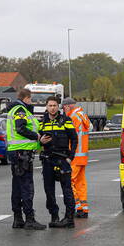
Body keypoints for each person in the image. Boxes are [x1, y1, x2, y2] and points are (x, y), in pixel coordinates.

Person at [6, 88, 47, 230]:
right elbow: (21, 128)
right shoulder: (20, 110)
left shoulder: (15, 110)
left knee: (17, 186)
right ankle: (29, 219)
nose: (32, 102)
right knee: (26, 186)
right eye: (31, 99)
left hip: (17, 153)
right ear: (26, 98)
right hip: (22, 153)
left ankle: (18, 219)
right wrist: (37, 137)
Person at [38, 96, 78, 228]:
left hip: (62, 159)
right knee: (48, 190)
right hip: (48, 159)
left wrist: (70, 157)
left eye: (54, 105)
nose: (52, 108)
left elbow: (74, 139)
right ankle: (54, 216)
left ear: (58, 106)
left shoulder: (66, 120)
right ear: (46, 107)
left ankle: (69, 218)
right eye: (50, 105)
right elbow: (37, 140)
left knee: (67, 189)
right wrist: (40, 142)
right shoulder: (42, 122)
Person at [62, 97, 91, 218]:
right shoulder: (83, 115)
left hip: (74, 156)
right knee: (80, 183)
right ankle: (83, 209)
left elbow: (68, 136)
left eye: (64, 108)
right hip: (82, 156)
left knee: (69, 181)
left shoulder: (73, 117)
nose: (63, 111)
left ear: (68, 106)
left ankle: (77, 207)